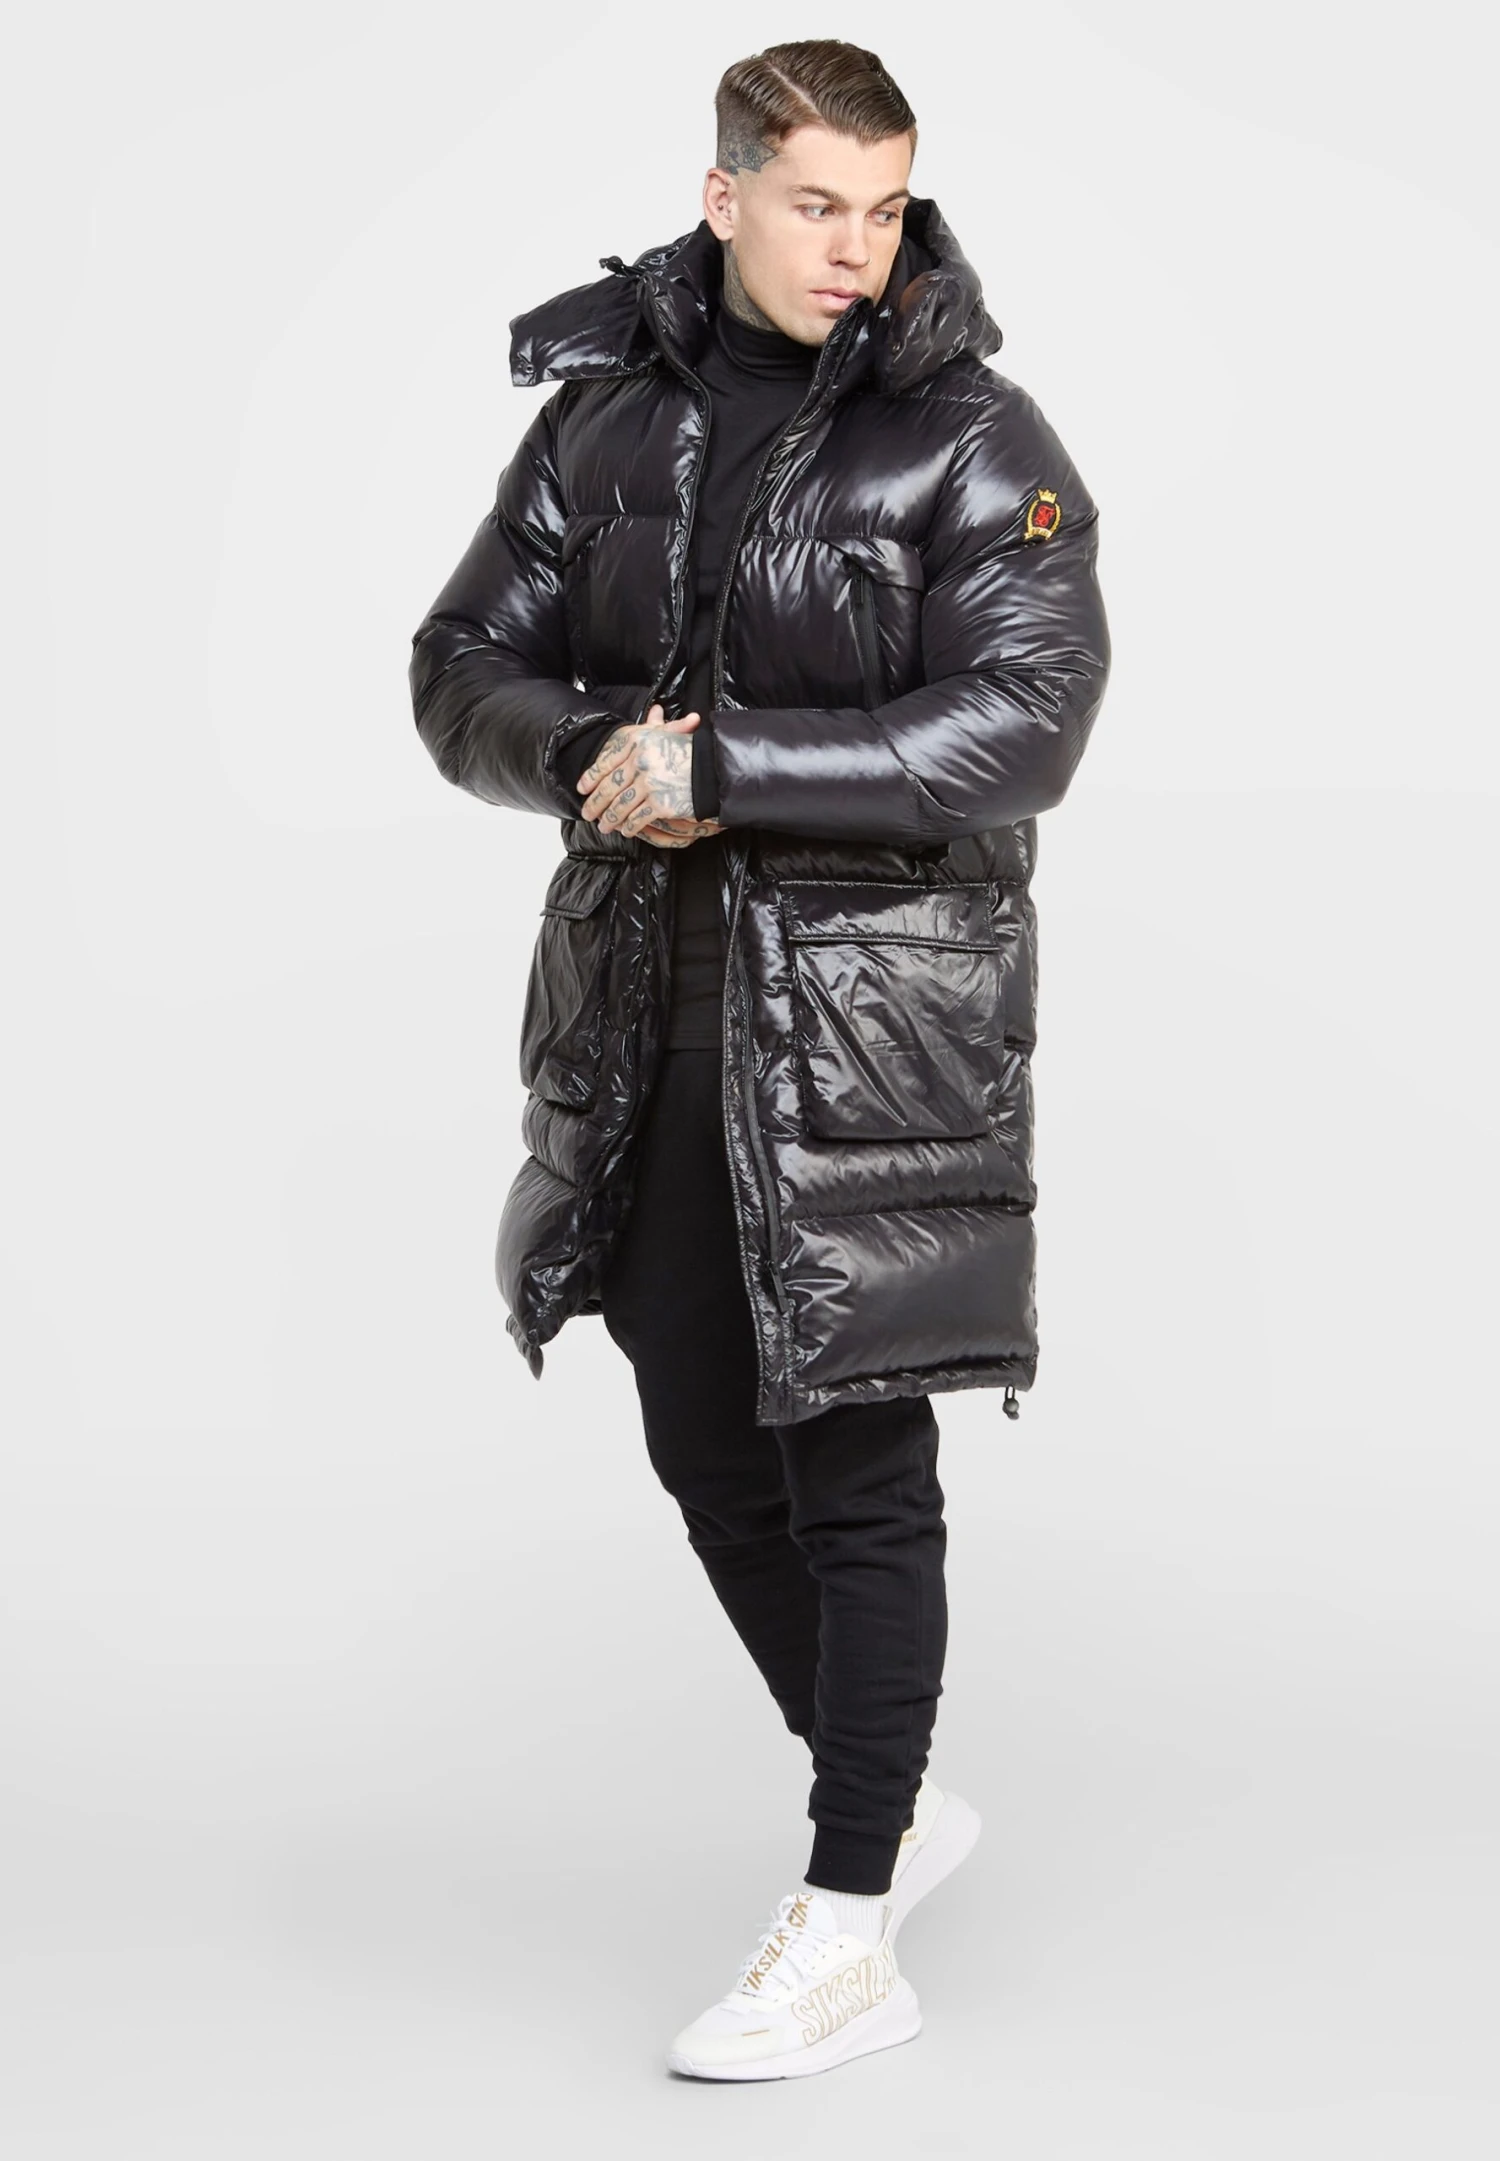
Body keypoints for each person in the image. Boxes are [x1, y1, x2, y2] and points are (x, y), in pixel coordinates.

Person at [408, 38, 1111, 2081]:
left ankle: (852, 1921)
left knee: (854, 1450)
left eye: (885, 208)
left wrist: (729, 768)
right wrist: (585, 755)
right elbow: (457, 668)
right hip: (648, 999)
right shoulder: (605, 417)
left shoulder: (972, 435)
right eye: (816, 205)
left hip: (878, 1023)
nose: (855, 248)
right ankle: (890, 1793)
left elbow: (1030, 720)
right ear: (726, 198)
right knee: (700, 1422)